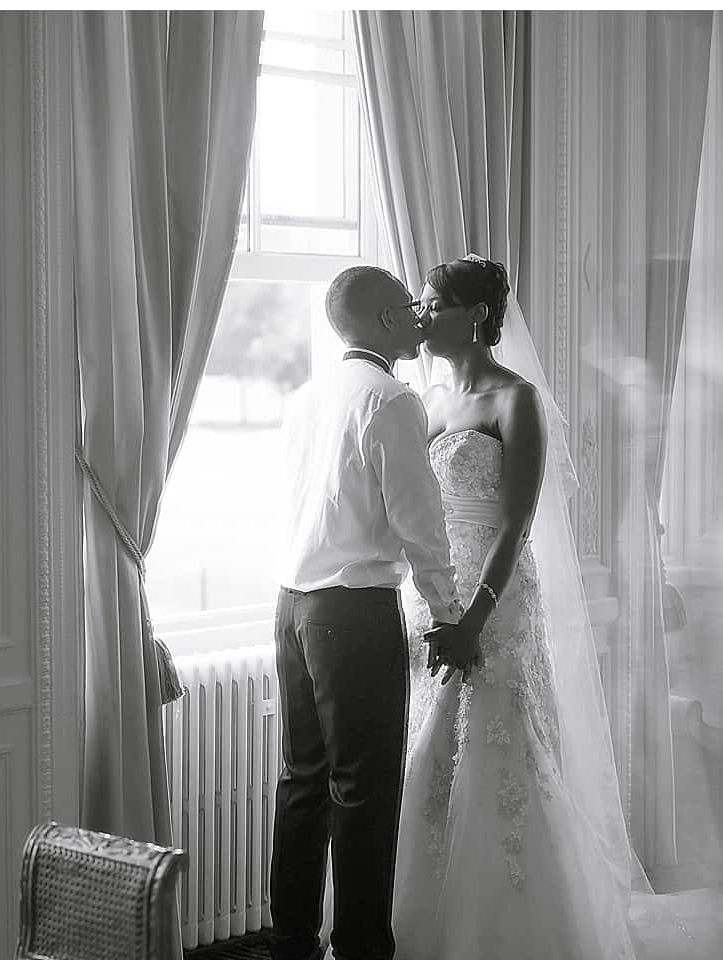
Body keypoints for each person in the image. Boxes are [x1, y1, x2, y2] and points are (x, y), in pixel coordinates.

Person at [391, 254, 644, 958]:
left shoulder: (515, 400)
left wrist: (474, 615)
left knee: (499, 746)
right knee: (430, 751)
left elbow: (515, 524)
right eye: (420, 302)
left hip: (495, 599)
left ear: (476, 315)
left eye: (435, 303)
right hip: (432, 599)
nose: (422, 315)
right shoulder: (430, 402)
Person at [270, 265, 484, 960]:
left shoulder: (307, 397)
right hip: (353, 616)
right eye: (408, 308)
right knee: (364, 793)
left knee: (303, 782)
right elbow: (420, 525)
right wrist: (450, 617)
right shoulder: (392, 400)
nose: (421, 319)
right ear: (385, 321)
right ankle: (362, 949)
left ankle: (294, 939)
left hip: (291, 607)